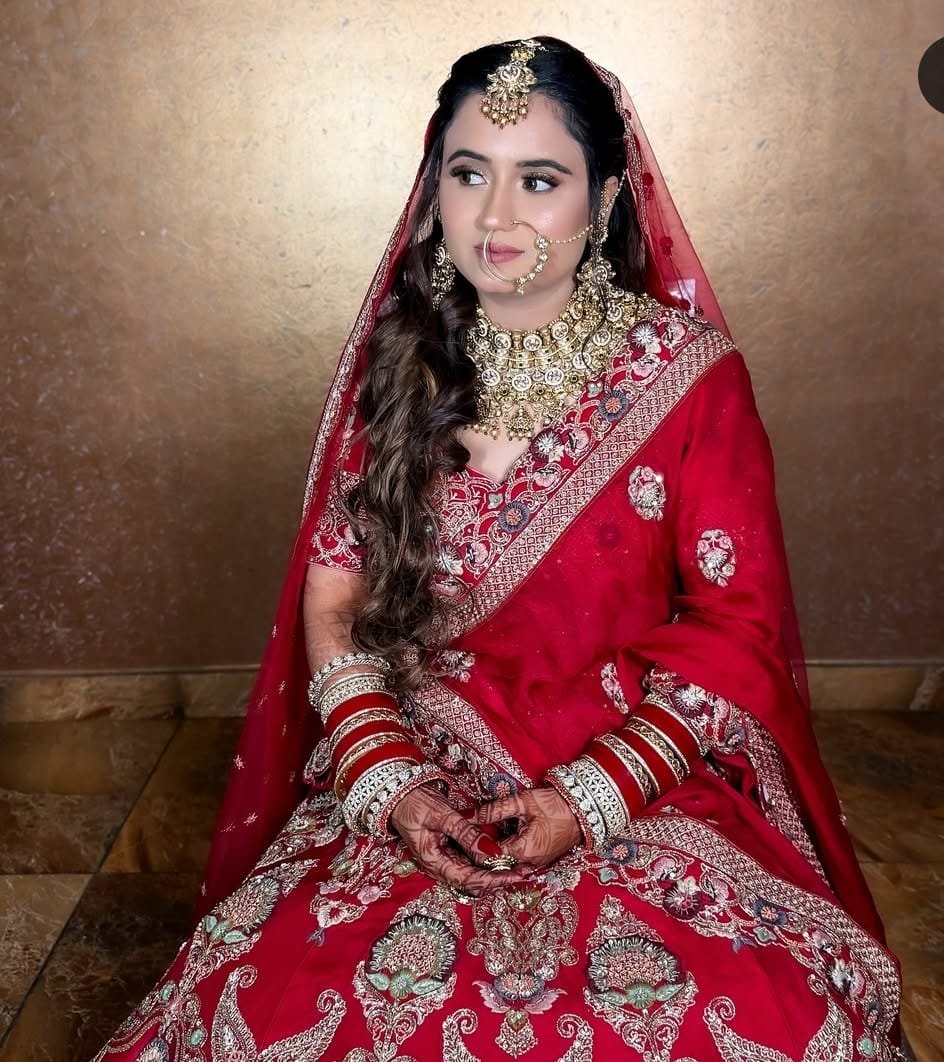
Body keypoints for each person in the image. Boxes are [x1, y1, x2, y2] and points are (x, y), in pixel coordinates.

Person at [94, 37, 905, 1061]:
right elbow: (336, 602)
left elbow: (734, 626)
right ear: (433, 189)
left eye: (541, 180)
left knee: (757, 1021)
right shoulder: (398, 368)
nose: (497, 216)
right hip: (423, 757)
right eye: (469, 174)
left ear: (604, 199)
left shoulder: (689, 378)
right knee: (267, 1013)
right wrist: (388, 777)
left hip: (636, 767)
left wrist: (590, 795)